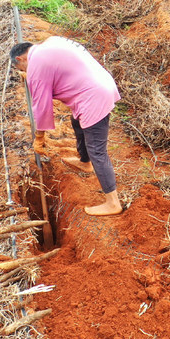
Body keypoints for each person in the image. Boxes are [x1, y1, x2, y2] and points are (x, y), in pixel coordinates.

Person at [11, 38, 122, 216]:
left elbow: (42, 107)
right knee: (76, 122)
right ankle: (85, 162)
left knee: (97, 150)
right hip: (98, 84)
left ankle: (113, 203)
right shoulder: (48, 45)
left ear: (20, 59)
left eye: (23, 69)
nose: (26, 72)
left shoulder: (37, 65)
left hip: (93, 97)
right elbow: (49, 71)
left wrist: (39, 137)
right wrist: (31, 75)